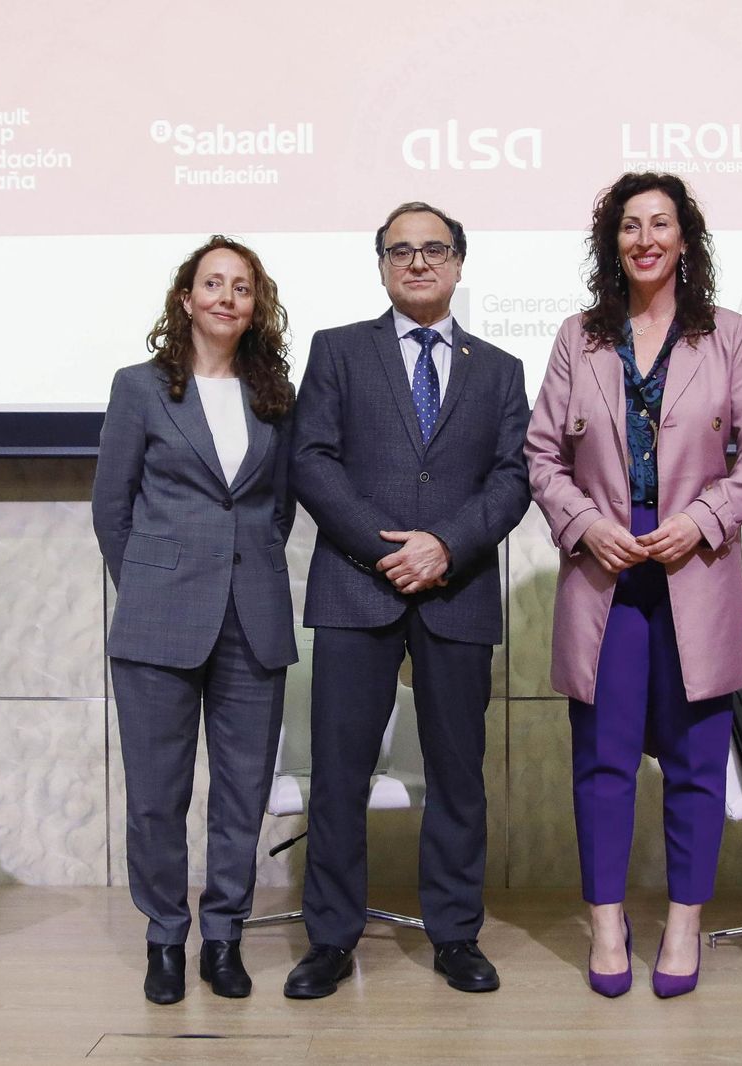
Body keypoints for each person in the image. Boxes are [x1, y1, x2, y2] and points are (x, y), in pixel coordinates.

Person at [525, 172, 742, 998]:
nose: (645, 239)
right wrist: (586, 525)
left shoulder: (727, 335)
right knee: (602, 760)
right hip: (605, 571)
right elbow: (541, 456)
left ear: (684, 239)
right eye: (630, 226)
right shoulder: (579, 337)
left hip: (693, 567)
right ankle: (605, 920)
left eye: (660, 224)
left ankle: (684, 923)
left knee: (699, 760)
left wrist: (702, 520)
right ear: (612, 243)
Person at [284, 201, 531, 999]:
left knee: (458, 775)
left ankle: (456, 935)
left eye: (434, 250)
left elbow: (513, 478)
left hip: (456, 592)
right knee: (339, 774)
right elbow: (312, 460)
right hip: (358, 585)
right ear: (382, 265)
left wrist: (446, 547)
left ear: (459, 263)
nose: (418, 262)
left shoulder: (499, 369)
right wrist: (387, 548)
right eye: (401, 251)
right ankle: (329, 939)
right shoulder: (337, 352)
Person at [91, 235, 297, 1005]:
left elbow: (277, 508)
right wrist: (152, 584)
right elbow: (112, 508)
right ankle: (164, 940)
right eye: (212, 283)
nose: (225, 297)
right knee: (156, 794)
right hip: (158, 621)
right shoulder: (140, 387)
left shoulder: (275, 394)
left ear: (255, 307)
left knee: (242, 792)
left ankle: (224, 938)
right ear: (185, 298)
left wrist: (238, 574)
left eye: (241, 287)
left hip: (254, 616)